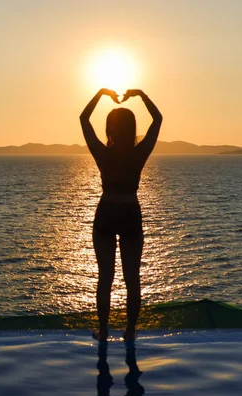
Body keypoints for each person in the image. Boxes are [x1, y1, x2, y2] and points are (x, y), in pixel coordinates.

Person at [80, 88, 162, 342]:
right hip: (129, 213)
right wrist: (141, 95)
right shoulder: (139, 154)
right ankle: (129, 331)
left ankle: (103, 332)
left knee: (105, 276)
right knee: (132, 277)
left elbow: (83, 119)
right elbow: (158, 119)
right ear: (131, 128)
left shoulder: (103, 154)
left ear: (110, 129)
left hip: (106, 212)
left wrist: (101, 94)